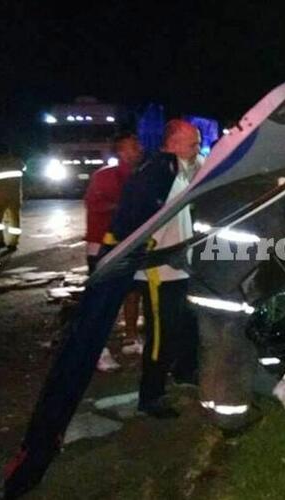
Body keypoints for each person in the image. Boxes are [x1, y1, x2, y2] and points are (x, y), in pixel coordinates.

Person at [122, 119, 201, 418]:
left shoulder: (180, 169)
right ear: (172, 143)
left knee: (185, 325)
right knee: (160, 335)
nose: (196, 148)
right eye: (192, 143)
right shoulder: (158, 175)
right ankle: (150, 395)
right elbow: (141, 221)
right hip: (159, 272)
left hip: (179, 268)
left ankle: (183, 370)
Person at [84, 133, 144, 371]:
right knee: (102, 300)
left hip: (129, 243)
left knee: (132, 292)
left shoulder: (140, 176)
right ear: (120, 152)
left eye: (138, 145)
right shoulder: (105, 177)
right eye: (133, 147)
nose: (138, 150)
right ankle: (99, 350)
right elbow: (94, 204)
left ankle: (130, 337)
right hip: (102, 245)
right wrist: (125, 208)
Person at [0, 149, 25, 255]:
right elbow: (24, 170)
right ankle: (13, 243)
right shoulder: (18, 162)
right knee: (14, 219)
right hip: (15, 195)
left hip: (0, 195)